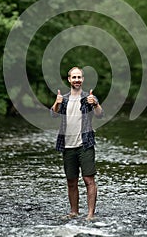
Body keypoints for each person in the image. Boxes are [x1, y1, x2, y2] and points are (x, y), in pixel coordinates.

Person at [51, 66, 103, 220]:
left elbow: (100, 115)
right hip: (67, 146)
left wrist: (95, 104)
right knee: (71, 181)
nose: (77, 80)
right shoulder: (64, 99)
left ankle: (90, 214)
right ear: (69, 80)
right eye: (74, 77)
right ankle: (74, 212)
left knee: (89, 180)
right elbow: (53, 115)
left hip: (85, 144)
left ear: (83, 79)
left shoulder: (89, 98)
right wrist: (57, 103)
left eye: (79, 77)